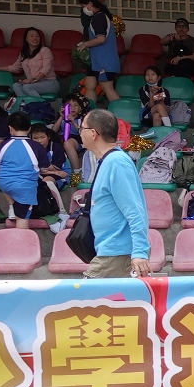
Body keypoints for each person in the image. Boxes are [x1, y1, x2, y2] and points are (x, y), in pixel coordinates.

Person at [74, 108, 152, 278]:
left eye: (81, 128)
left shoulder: (116, 163)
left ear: (93, 133)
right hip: (111, 251)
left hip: (117, 253)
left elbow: (135, 210)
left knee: (87, 294)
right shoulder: (109, 161)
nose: (79, 132)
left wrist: (139, 252)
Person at [0, 110, 56, 225]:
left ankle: (12, 206)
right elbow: (44, 168)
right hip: (24, 187)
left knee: (7, 181)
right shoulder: (36, 147)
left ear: (10, 128)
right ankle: (20, 231)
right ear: (29, 129)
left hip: (4, 183)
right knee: (22, 218)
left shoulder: (3, 145)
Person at [74, 0, 122, 106]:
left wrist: (85, 45)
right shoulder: (97, 17)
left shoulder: (99, 17)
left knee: (107, 88)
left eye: (83, 6)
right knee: (89, 85)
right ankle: (89, 111)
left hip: (104, 61)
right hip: (96, 61)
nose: (83, 9)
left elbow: (101, 39)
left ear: (90, 4)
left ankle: (121, 112)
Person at [2, 28, 57, 105]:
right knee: (16, 86)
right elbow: (14, 67)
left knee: (27, 87)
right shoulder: (23, 53)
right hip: (33, 84)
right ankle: (26, 107)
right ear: (26, 39)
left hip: (50, 83)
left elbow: (45, 69)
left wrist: (32, 80)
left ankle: (43, 106)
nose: (35, 38)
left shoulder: (45, 50)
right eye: (31, 36)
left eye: (37, 36)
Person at [57, 93, 89, 176]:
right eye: (69, 106)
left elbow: (83, 133)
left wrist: (73, 122)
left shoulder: (82, 119)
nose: (73, 108)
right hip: (62, 138)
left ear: (80, 109)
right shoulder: (62, 119)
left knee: (67, 143)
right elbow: (53, 131)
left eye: (75, 105)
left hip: (76, 140)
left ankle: (76, 173)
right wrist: (61, 117)